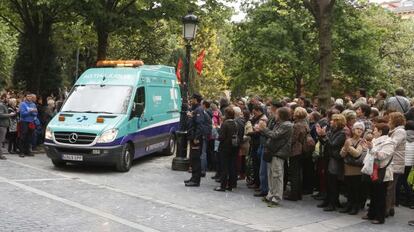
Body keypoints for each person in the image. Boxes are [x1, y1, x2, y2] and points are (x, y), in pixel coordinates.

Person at [258, 107, 293, 206]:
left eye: (276, 114)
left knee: (277, 176)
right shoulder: (279, 124)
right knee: (271, 174)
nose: (275, 116)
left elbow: (274, 135)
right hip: (272, 151)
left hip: (279, 152)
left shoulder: (287, 125)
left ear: (281, 115)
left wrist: (264, 128)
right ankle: (271, 195)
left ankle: (276, 198)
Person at [362, 123, 394, 224]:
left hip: (382, 172)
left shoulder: (389, 143)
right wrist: (366, 148)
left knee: (380, 195)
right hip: (372, 170)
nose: (373, 132)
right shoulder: (375, 140)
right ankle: (371, 213)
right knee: (373, 194)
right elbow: (370, 154)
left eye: (375, 130)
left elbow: (381, 156)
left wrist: (371, 148)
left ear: (380, 132)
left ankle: (380, 217)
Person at [317, 114, 347, 211]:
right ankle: (328, 200)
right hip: (328, 157)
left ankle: (332, 203)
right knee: (328, 180)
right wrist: (321, 135)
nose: (331, 122)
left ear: (338, 122)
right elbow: (325, 143)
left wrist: (324, 136)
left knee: (333, 181)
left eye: (333, 121)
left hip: (335, 159)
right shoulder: (331, 131)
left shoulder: (342, 133)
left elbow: (333, 144)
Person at [340, 122, 365, 215]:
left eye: (361, 129)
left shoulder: (362, 141)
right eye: (357, 128)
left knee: (356, 190)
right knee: (349, 189)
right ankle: (349, 205)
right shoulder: (348, 140)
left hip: (357, 170)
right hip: (347, 168)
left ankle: (355, 207)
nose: (359, 130)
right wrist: (346, 147)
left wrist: (348, 147)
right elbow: (342, 154)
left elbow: (357, 154)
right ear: (353, 130)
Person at [285, 107, 308, 201]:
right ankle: (298, 193)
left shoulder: (297, 125)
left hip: (296, 150)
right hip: (302, 150)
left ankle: (294, 194)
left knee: (294, 173)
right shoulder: (305, 124)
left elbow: (293, 139)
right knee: (298, 172)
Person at [386, 112, 407, 216]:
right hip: (394, 162)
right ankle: (390, 208)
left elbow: (392, 144)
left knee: (389, 187)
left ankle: (386, 209)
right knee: (392, 187)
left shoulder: (400, 132)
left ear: (395, 121)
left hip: (395, 162)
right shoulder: (396, 131)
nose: (388, 121)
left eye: (390, 119)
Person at [184, 93, 207, 187]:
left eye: (192, 99)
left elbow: (200, 125)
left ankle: (195, 180)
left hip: (196, 139)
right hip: (193, 137)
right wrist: (190, 116)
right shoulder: (196, 109)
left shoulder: (199, 110)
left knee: (196, 159)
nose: (191, 100)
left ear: (195, 100)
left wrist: (196, 138)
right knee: (193, 158)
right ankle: (193, 177)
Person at [214, 107, 239, 192]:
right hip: (233, 147)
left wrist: (217, 131)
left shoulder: (225, 124)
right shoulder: (235, 123)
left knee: (224, 167)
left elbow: (221, 137)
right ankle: (231, 185)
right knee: (231, 166)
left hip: (224, 148)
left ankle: (223, 186)